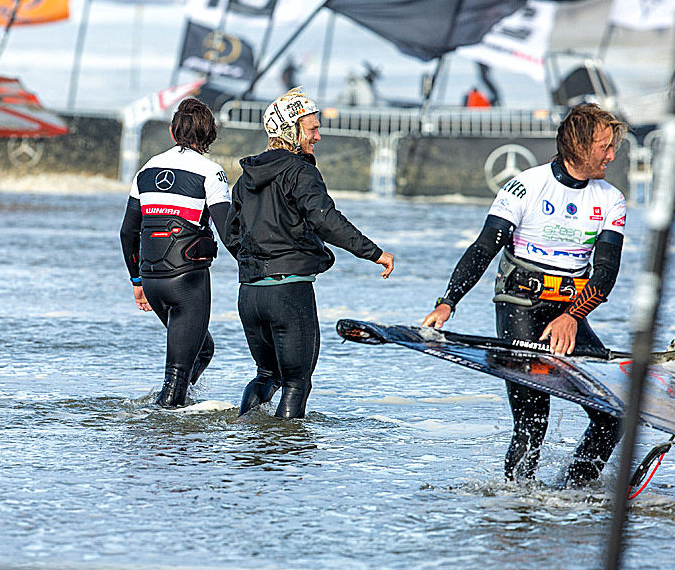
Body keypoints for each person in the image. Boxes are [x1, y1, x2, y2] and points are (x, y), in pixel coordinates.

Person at [422, 102, 628, 486]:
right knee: (534, 417)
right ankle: (518, 502)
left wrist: (572, 317)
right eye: (605, 147)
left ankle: (573, 490)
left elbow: (605, 273)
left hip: (570, 310)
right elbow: (484, 248)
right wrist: (448, 301)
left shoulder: (610, 199)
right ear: (580, 148)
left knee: (612, 414)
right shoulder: (525, 187)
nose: (612, 155)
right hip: (520, 305)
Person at [224, 87, 395, 419]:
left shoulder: (244, 180)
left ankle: (247, 441)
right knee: (296, 383)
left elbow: (232, 233)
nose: (318, 136)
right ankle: (287, 458)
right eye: (312, 129)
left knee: (266, 376)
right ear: (291, 131)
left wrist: (258, 264)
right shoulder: (301, 171)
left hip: (249, 295)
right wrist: (373, 253)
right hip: (289, 293)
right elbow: (325, 220)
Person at [119, 98, 234, 408]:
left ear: (172, 132)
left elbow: (128, 232)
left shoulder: (146, 169)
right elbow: (228, 233)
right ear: (210, 135)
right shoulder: (212, 173)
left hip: (154, 281)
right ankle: (167, 434)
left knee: (203, 348)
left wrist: (137, 281)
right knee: (175, 378)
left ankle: (178, 420)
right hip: (187, 283)